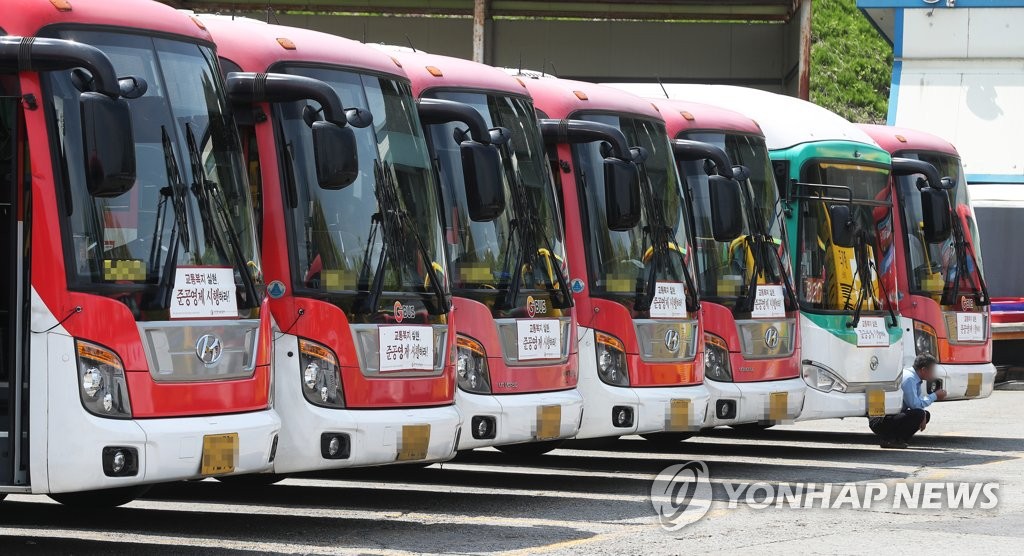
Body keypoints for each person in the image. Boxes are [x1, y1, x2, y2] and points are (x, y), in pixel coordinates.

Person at [868, 354, 947, 449]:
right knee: (919, 414)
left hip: (889, 416)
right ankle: (890, 439)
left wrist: (923, 413)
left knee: (924, 414)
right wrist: (935, 396)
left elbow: (916, 403)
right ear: (923, 370)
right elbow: (914, 405)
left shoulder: (914, 378)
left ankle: (897, 439)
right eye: (932, 371)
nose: (934, 374)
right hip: (879, 420)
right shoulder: (910, 378)